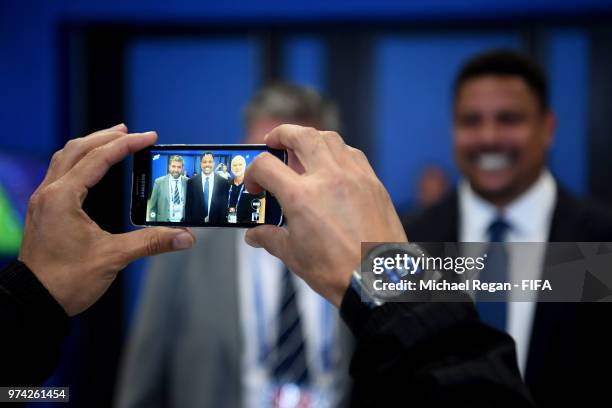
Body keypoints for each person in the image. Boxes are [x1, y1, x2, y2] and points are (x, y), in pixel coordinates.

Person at [0, 123, 534, 407]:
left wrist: (387, 270)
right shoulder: (186, 247)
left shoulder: (585, 243)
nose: (488, 138)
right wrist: (30, 298)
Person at [116, 83, 354, 408]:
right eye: (264, 157)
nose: (278, 175)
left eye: (294, 157)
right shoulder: (183, 249)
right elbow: (142, 383)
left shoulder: (360, 246)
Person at [401, 50, 612, 407]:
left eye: (509, 119)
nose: (489, 137)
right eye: (471, 121)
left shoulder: (600, 240)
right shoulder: (410, 241)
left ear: (548, 128)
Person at [185, 152, 229, 223]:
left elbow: (224, 207)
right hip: (196, 225)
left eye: (210, 162)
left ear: (214, 163)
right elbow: (188, 207)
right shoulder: (191, 182)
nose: (207, 164)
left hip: (216, 226)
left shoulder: (223, 182)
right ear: (200, 163)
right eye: (204, 162)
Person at [147, 155, 188, 222]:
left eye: (179, 167)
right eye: (173, 166)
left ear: (182, 168)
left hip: (183, 223)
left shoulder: (188, 182)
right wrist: (153, 225)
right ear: (169, 167)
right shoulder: (159, 182)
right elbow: (152, 208)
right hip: (164, 222)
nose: (176, 170)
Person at [227, 155, 264, 224]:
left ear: (245, 166)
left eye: (240, 164)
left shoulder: (254, 183)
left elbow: (262, 203)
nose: (237, 167)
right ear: (231, 168)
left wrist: (260, 222)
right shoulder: (228, 184)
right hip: (230, 224)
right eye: (234, 165)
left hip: (248, 226)